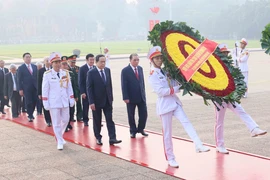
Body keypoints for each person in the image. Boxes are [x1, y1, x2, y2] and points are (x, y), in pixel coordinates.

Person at [148, 46, 210, 168]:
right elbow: (160, 91)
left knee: (186, 122)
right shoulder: (152, 74)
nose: (160, 60)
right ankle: (170, 158)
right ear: (152, 60)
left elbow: (175, 82)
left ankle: (198, 143)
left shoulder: (166, 71)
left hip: (175, 103)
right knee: (167, 134)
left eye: (161, 58)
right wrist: (177, 89)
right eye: (157, 58)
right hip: (165, 105)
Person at [214, 44, 267, 154]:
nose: (225, 55)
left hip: (230, 96)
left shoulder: (230, 66)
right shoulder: (215, 67)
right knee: (219, 122)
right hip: (219, 98)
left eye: (226, 53)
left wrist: (240, 86)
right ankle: (219, 145)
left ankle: (253, 129)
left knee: (242, 111)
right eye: (223, 53)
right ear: (219, 54)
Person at [86, 54, 122, 146]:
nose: (103, 63)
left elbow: (109, 85)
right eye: (101, 62)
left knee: (110, 120)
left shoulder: (107, 70)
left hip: (107, 100)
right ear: (96, 62)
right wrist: (91, 102)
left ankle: (112, 138)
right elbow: (89, 88)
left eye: (104, 62)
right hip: (96, 101)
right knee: (97, 121)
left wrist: (111, 98)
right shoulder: (91, 73)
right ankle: (98, 137)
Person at [42, 52, 75, 150]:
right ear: (51, 63)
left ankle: (58, 136)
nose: (57, 64)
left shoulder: (65, 73)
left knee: (65, 119)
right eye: (55, 62)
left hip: (64, 100)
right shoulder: (47, 74)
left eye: (59, 62)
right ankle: (59, 141)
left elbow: (69, 87)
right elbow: (45, 89)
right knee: (56, 122)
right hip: (54, 102)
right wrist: (45, 102)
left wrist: (71, 98)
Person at [121, 53, 148, 138]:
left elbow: (142, 82)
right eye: (134, 60)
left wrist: (144, 93)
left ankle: (141, 129)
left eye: (137, 60)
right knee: (131, 115)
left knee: (144, 114)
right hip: (130, 97)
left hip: (141, 96)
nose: (136, 62)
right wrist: (125, 97)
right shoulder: (125, 70)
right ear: (130, 60)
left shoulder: (140, 69)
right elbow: (123, 85)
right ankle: (133, 131)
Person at [17, 53, 38, 122]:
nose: (28, 58)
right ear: (24, 59)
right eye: (26, 57)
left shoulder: (34, 66)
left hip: (35, 87)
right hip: (26, 88)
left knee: (35, 101)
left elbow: (36, 77)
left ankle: (31, 112)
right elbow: (19, 79)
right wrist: (20, 89)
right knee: (28, 101)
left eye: (29, 57)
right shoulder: (21, 68)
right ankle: (30, 115)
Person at [78, 54, 95, 126]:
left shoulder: (95, 67)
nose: (92, 61)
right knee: (85, 106)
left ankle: (96, 121)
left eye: (93, 60)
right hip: (86, 91)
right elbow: (80, 81)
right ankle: (85, 120)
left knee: (96, 107)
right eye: (90, 60)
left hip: (95, 92)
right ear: (87, 60)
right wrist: (82, 92)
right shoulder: (82, 68)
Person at [61, 56, 77, 132]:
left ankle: (68, 122)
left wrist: (75, 96)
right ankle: (65, 125)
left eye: (66, 64)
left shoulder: (70, 73)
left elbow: (74, 86)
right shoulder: (58, 74)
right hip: (62, 97)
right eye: (63, 64)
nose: (65, 66)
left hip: (69, 96)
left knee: (71, 110)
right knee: (64, 112)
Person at [38, 57, 52, 126]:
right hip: (44, 92)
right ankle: (48, 120)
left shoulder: (53, 69)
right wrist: (39, 93)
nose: (48, 62)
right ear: (44, 62)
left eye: (49, 61)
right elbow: (39, 82)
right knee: (46, 106)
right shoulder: (41, 71)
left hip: (52, 91)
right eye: (47, 61)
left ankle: (52, 119)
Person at [68, 55, 82, 122]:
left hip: (77, 89)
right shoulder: (67, 69)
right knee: (71, 104)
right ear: (68, 61)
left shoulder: (78, 68)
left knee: (79, 103)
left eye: (74, 62)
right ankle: (71, 117)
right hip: (70, 89)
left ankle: (79, 116)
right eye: (72, 62)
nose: (73, 63)